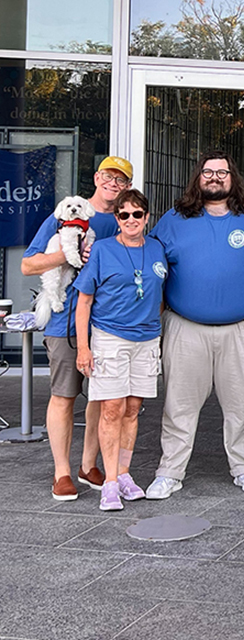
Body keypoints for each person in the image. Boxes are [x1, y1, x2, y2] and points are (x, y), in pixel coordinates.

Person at [146, 151, 244, 499]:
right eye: (208, 172)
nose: (215, 177)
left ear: (233, 178)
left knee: (243, 406)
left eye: (222, 172)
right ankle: (170, 472)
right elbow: (149, 265)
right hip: (186, 328)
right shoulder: (174, 220)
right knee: (178, 405)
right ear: (198, 178)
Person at [22, 156, 128, 501]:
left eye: (121, 180)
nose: (114, 184)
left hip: (108, 323)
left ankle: (88, 465)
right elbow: (27, 265)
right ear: (97, 178)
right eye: (109, 177)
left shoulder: (126, 220)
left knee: (101, 397)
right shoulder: (67, 214)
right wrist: (68, 256)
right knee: (64, 395)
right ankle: (61, 474)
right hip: (65, 320)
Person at [74, 189, 165, 510]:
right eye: (123, 214)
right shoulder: (101, 250)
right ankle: (109, 482)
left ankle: (124, 474)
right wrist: (83, 348)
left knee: (131, 408)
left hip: (147, 339)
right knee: (111, 408)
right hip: (110, 338)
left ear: (146, 218)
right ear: (116, 219)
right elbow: (84, 302)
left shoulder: (157, 249)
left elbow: (161, 295)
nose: (130, 220)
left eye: (136, 214)